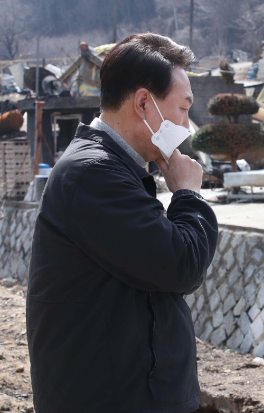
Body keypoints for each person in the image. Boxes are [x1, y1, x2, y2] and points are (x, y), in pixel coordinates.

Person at [27, 33, 218, 413]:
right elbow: (181, 265)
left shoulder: (110, 168)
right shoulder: (95, 173)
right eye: (182, 108)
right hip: (112, 397)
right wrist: (188, 196)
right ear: (144, 102)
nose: (186, 124)